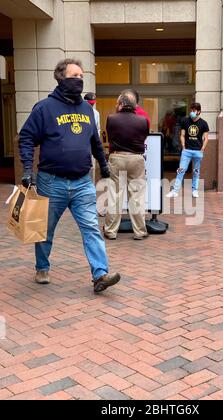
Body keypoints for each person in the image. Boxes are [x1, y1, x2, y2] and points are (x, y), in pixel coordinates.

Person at [19, 58, 121, 294]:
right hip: (51, 181)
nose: (79, 80)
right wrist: (27, 169)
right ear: (61, 78)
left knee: (92, 229)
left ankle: (100, 275)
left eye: (81, 76)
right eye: (74, 76)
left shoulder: (87, 110)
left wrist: (104, 167)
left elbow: (95, 141)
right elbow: (26, 138)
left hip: (82, 182)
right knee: (45, 229)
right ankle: (42, 267)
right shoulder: (44, 108)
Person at [104, 92, 149, 240]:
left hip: (116, 157)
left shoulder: (111, 119)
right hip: (136, 158)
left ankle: (111, 231)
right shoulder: (143, 120)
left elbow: (110, 137)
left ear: (122, 104)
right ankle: (140, 231)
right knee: (137, 196)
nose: (116, 106)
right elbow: (144, 137)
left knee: (114, 196)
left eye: (117, 103)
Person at [166, 102, 209, 198]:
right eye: (191, 110)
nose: (192, 112)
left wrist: (202, 148)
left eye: (194, 110)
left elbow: (206, 138)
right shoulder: (185, 121)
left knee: (196, 171)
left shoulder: (203, 123)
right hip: (187, 151)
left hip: (198, 151)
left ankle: (195, 190)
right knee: (181, 170)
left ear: (199, 112)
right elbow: (182, 135)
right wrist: (183, 145)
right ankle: (175, 191)